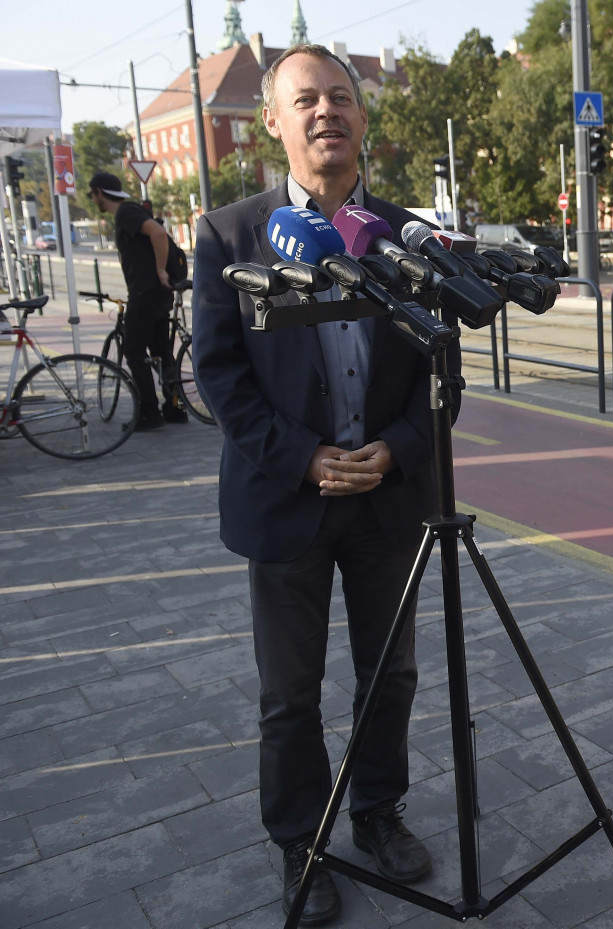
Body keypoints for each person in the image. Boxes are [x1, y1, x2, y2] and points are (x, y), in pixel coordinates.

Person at [192, 44, 457, 925]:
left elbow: (442, 379)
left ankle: (379, 812)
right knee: (288, 695)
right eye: (304, 99)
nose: (325, 111)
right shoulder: (228, 234)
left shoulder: (407, 235)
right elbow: (222, 380)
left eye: (340, 97)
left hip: (386, 499)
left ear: (362, 115)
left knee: (393, 675)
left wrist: (396, 448)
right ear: (273, 121)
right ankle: (300, 846)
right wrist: (304, 456)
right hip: (288, 502)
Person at [88, 172, 186, 429]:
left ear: (99, 192)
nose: (92, 200)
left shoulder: (125, 213)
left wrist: (161, 269)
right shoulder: (130, 212)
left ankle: (149, 413)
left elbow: (158, 234)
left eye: (92, 195)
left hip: (145, 295)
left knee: (133, 352)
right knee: (161, 351)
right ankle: (174, 408)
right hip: (157, 295)